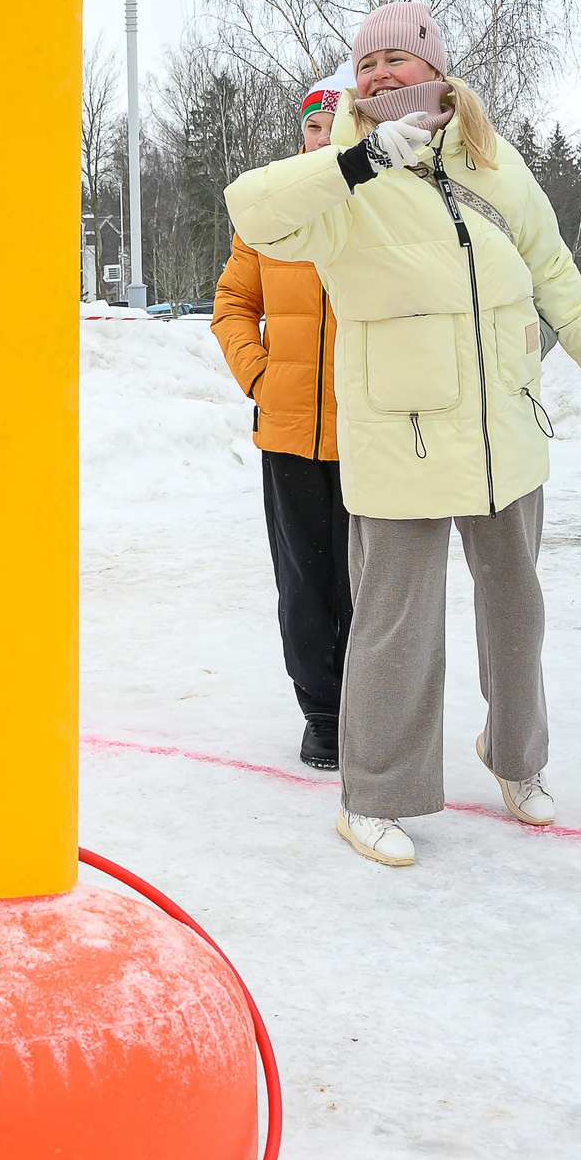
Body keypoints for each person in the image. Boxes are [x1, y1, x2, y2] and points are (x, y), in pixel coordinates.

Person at [225, 2, 581, 867]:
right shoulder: (343, 175)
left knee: (517, 610)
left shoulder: (492, 157)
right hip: (401, 435)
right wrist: (359, 162)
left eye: (396, 62)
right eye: (366, 66)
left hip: (504, 431)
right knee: (394, 623)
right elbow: (253, 211)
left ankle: (519, 759)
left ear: (435, 72)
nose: (377, 77)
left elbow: (550, 264)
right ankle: (374, 794)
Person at [213, 77, 349, 770]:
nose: (325, 136)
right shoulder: (269, 212)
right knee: (304, 579)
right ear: (303, 136)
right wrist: (260, 376)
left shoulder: (379, 205)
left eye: (337, 124)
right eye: (315, 126)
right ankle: (322, 713)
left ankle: (370, 705)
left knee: (368, 580)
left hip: (370, 429)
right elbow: (233, 301)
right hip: (290, 427)